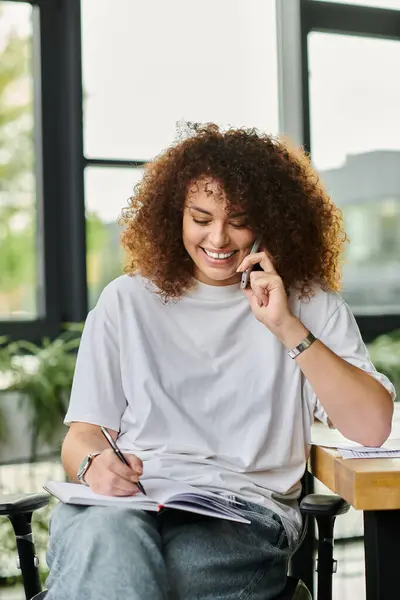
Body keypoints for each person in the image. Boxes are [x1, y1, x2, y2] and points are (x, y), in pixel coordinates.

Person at [45, 123, 395, 600]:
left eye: (238, 220)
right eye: (201, 217)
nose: (218, 238)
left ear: (270, 220)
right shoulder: (125, 301)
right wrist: (92, 465)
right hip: (132, 502)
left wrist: (285, 326)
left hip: (242, 515)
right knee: (108, 538)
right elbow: (82, 436)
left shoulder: (310, 305)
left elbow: (372, 426)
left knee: (157, 572)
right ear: (176, 216)